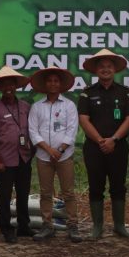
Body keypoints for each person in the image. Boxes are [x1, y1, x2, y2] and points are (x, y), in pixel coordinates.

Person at [78, 49, 129, 239]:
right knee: (96, 186)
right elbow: (84, 120)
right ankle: (97, 227)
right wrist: (101, 141)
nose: (105, 70)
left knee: (118, 186)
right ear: (96, 70)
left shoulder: (125, 92)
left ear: (114, 70)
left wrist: (114, 140)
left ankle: (119, 226)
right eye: (101, 67)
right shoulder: (87, 93)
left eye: (109, 66)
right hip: (94, 147)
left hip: (118, 147)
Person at [28, 66, 82, 243]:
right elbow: (33, 131)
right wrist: (49, 149)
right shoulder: (37, 107)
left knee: (68, 192)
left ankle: (73, 225)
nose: (53, 83)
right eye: (50, 81)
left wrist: (59, 150)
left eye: (56, 81)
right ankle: (47, 225)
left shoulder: (69, 105)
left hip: (64, 156)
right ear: (45, 84)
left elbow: (72, 130)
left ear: (60, 85)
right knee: (45, 192)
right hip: (44, 157)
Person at [0, 65, 33, 244]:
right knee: (5, 196)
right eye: (4, 84)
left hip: (25, 158)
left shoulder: (26, 107)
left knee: (23, 193)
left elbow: (33, 131)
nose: (8, 87)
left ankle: (23, 225)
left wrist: (32, 152)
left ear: (16, 86)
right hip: (4, 161)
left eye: (11, 84)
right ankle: (6, 228)